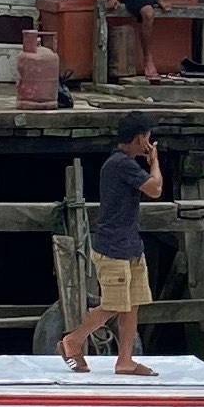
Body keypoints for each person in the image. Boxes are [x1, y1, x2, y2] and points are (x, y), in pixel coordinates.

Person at [60, 115, 162, 377]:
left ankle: (125, 360)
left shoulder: (123, 164)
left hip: (131, 245)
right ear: (140, 138)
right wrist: (155, 162)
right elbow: (155, 188)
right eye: (147, 138)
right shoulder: (121, 164)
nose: (148, 144)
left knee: (133, 303)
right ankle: (73, 340)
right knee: (114, 304)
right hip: (113, 247)